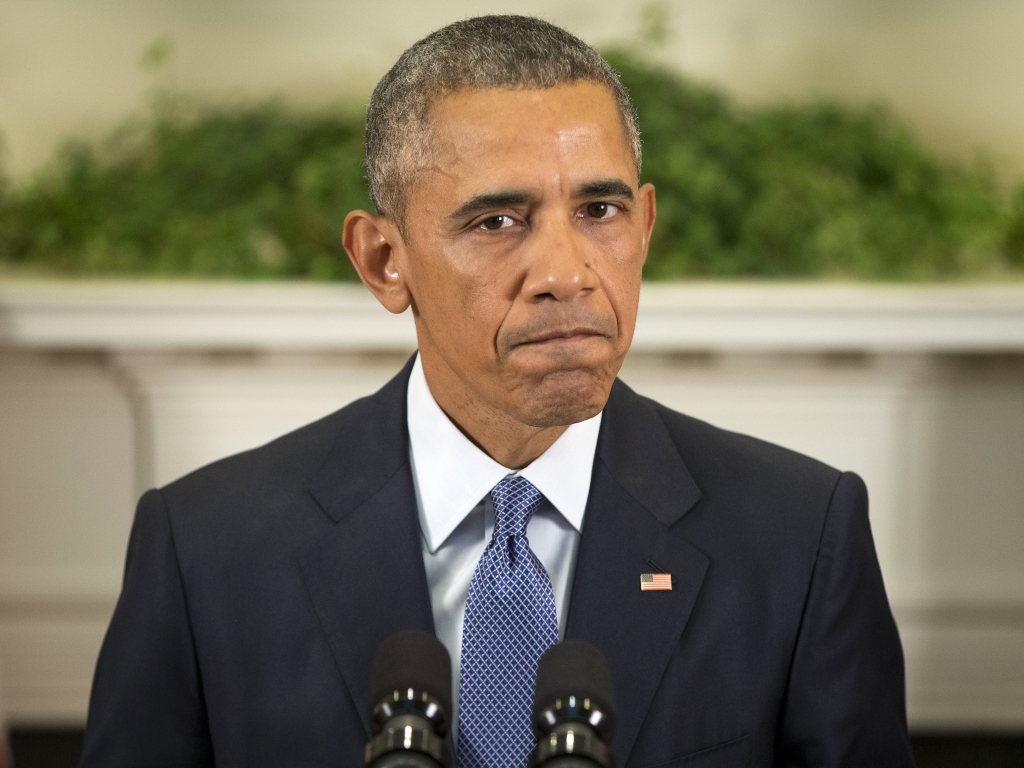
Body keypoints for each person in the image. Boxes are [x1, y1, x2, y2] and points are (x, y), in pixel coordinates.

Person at [79, 15, 914, 768]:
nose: (565, 273)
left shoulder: (801, 538)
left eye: (600, 210)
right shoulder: (204, 552)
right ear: (382, 260)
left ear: (647, 225)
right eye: (496, 221)